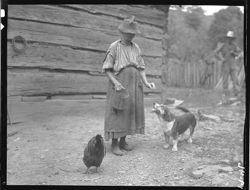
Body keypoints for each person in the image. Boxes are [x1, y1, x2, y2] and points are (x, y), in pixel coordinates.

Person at [102, 16, 155, 156]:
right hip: (120, 83)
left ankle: (123, 141)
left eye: (133, 34)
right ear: (122, 32)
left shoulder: (135, 47)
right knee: (118, 112)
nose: (131, 36)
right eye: (129, 34)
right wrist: (116, 83)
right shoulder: (114, 47)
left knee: (130, 111)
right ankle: (114, 144)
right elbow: (107, 69)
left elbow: (141, 67)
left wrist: (146, 82)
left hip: (134, 84)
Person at [215, 31, 242, 100]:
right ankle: (225, 94)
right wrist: (221, 58)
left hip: (233, 65)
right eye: (229, 38)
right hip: (225, 65)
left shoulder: (235, 46)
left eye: (231, 38)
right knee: (225, 80)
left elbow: (239, 54)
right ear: (227, 38)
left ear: (233, 39)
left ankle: (237, 94)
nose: (230, 39)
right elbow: (216, 53)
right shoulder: (223, 45)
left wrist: (234, 53)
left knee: (235, 79)